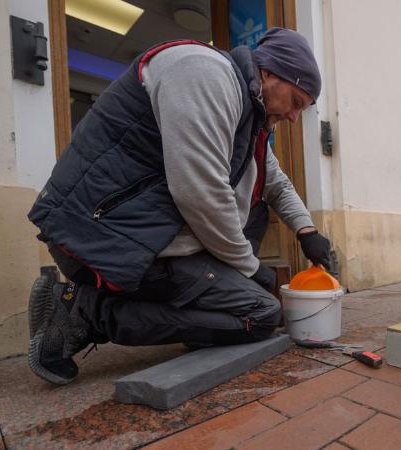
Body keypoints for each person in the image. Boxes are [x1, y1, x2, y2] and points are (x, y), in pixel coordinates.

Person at [25, 29, 332, 385]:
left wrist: (307, 230)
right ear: (269, 73)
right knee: (261, 314)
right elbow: (200, 194)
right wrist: (249, 267)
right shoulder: (204, 72)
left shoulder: (248, 116)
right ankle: (85, 312)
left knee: (253, 285)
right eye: (296, 102)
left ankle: (197, 323)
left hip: (137, 236)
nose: (294, 117)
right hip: (99, 237)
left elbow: (274, 180)